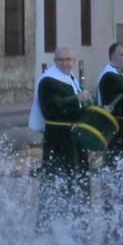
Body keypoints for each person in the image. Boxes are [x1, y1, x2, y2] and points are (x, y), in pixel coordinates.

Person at [29, 47, 93, 227]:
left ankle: (77, 222)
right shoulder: (48, 81)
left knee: (77, 178)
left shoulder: (70, 79)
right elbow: (51, 108)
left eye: (69, 60)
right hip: (58, 138)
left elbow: (78, 107)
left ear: (74, 61)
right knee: (57, 178)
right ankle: (51, 225)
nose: (66, 64)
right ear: (55, 61)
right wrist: (77, 99)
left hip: (74, 137)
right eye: (62, 60)